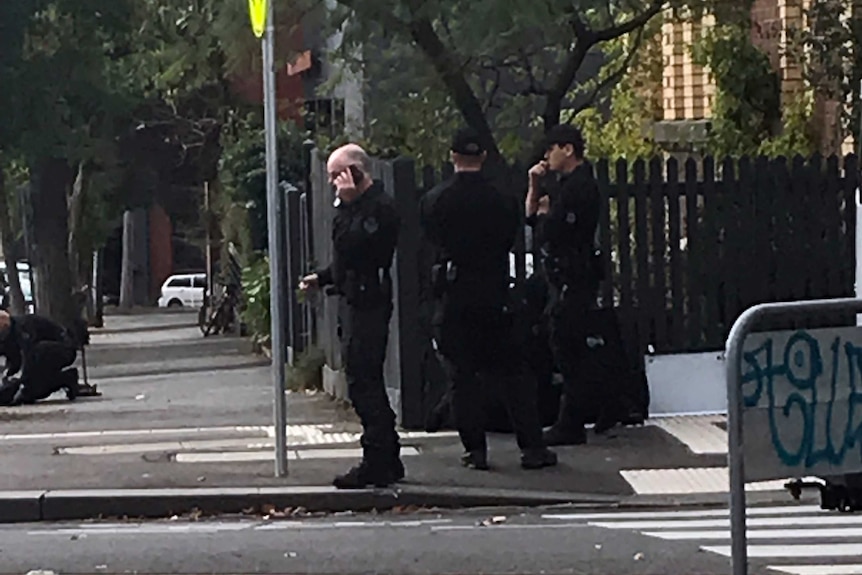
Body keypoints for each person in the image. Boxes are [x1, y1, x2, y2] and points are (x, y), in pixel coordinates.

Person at [419, 127, 557, 471]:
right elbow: (510, 235)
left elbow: (431, 239)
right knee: (514, 375)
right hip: (496, 295)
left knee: (462, 378)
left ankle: (475, 451)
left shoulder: (436, 200)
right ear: (482, 157)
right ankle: (532, 448)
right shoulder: (502, 200)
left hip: (455, 296)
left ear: (453, 157)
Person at [298, 143, 403, 489]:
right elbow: (347, 261)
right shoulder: (363, 208)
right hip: (356, 296)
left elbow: (352, 245)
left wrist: (346, 203)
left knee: (364, 383)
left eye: (337, 176)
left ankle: (379, 459)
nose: (333, 184)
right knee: (362, 380)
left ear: (356, 172)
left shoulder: (378, 209)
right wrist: (325, 277)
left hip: (369, 302)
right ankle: (387, 456)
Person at [525, 123, 605, 446]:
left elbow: (554, 230)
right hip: (560, 274)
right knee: (563, 341)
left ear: (568, 149)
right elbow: (533, 220)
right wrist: (535, 189)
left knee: (569, 345)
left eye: (551, 149)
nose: (547, 156)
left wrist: (547, 216)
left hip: (575, 275)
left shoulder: (580, 187)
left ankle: (572, 420)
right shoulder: (561, 185)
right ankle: (576, 414)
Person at [0, 311, 79, 406]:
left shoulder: (24, 326)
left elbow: (28, 356)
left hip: (63, 349)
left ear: (4, 325)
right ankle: (66, 378)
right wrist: (7, 378)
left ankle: (29, 387)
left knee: (38, 353)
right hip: (39, 357)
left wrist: (19, 381)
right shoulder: (6, 335)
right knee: (34, 392)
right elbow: (13, 359)